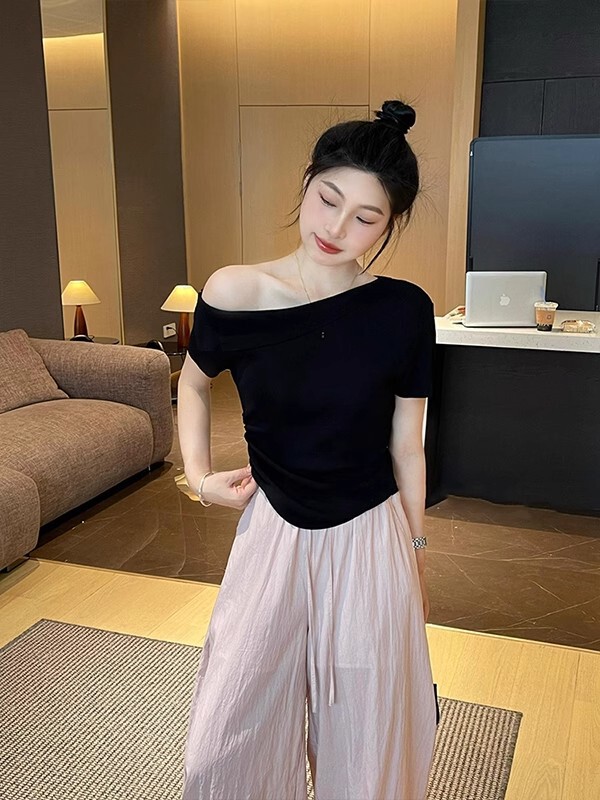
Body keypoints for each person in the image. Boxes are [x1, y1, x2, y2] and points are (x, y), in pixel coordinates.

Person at [178, 100, 439, 800]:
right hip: (272, 531)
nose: (337, 228)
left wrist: (415, 553)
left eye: (366, 218)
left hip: (371, 535)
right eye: (328, 200)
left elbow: (407, 446)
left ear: (390, 225)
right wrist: (198, 478)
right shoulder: (235, 289)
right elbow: (194, 384)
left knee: (365, 731)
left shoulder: (403, 310)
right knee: (228, 729)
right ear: (307, 182)